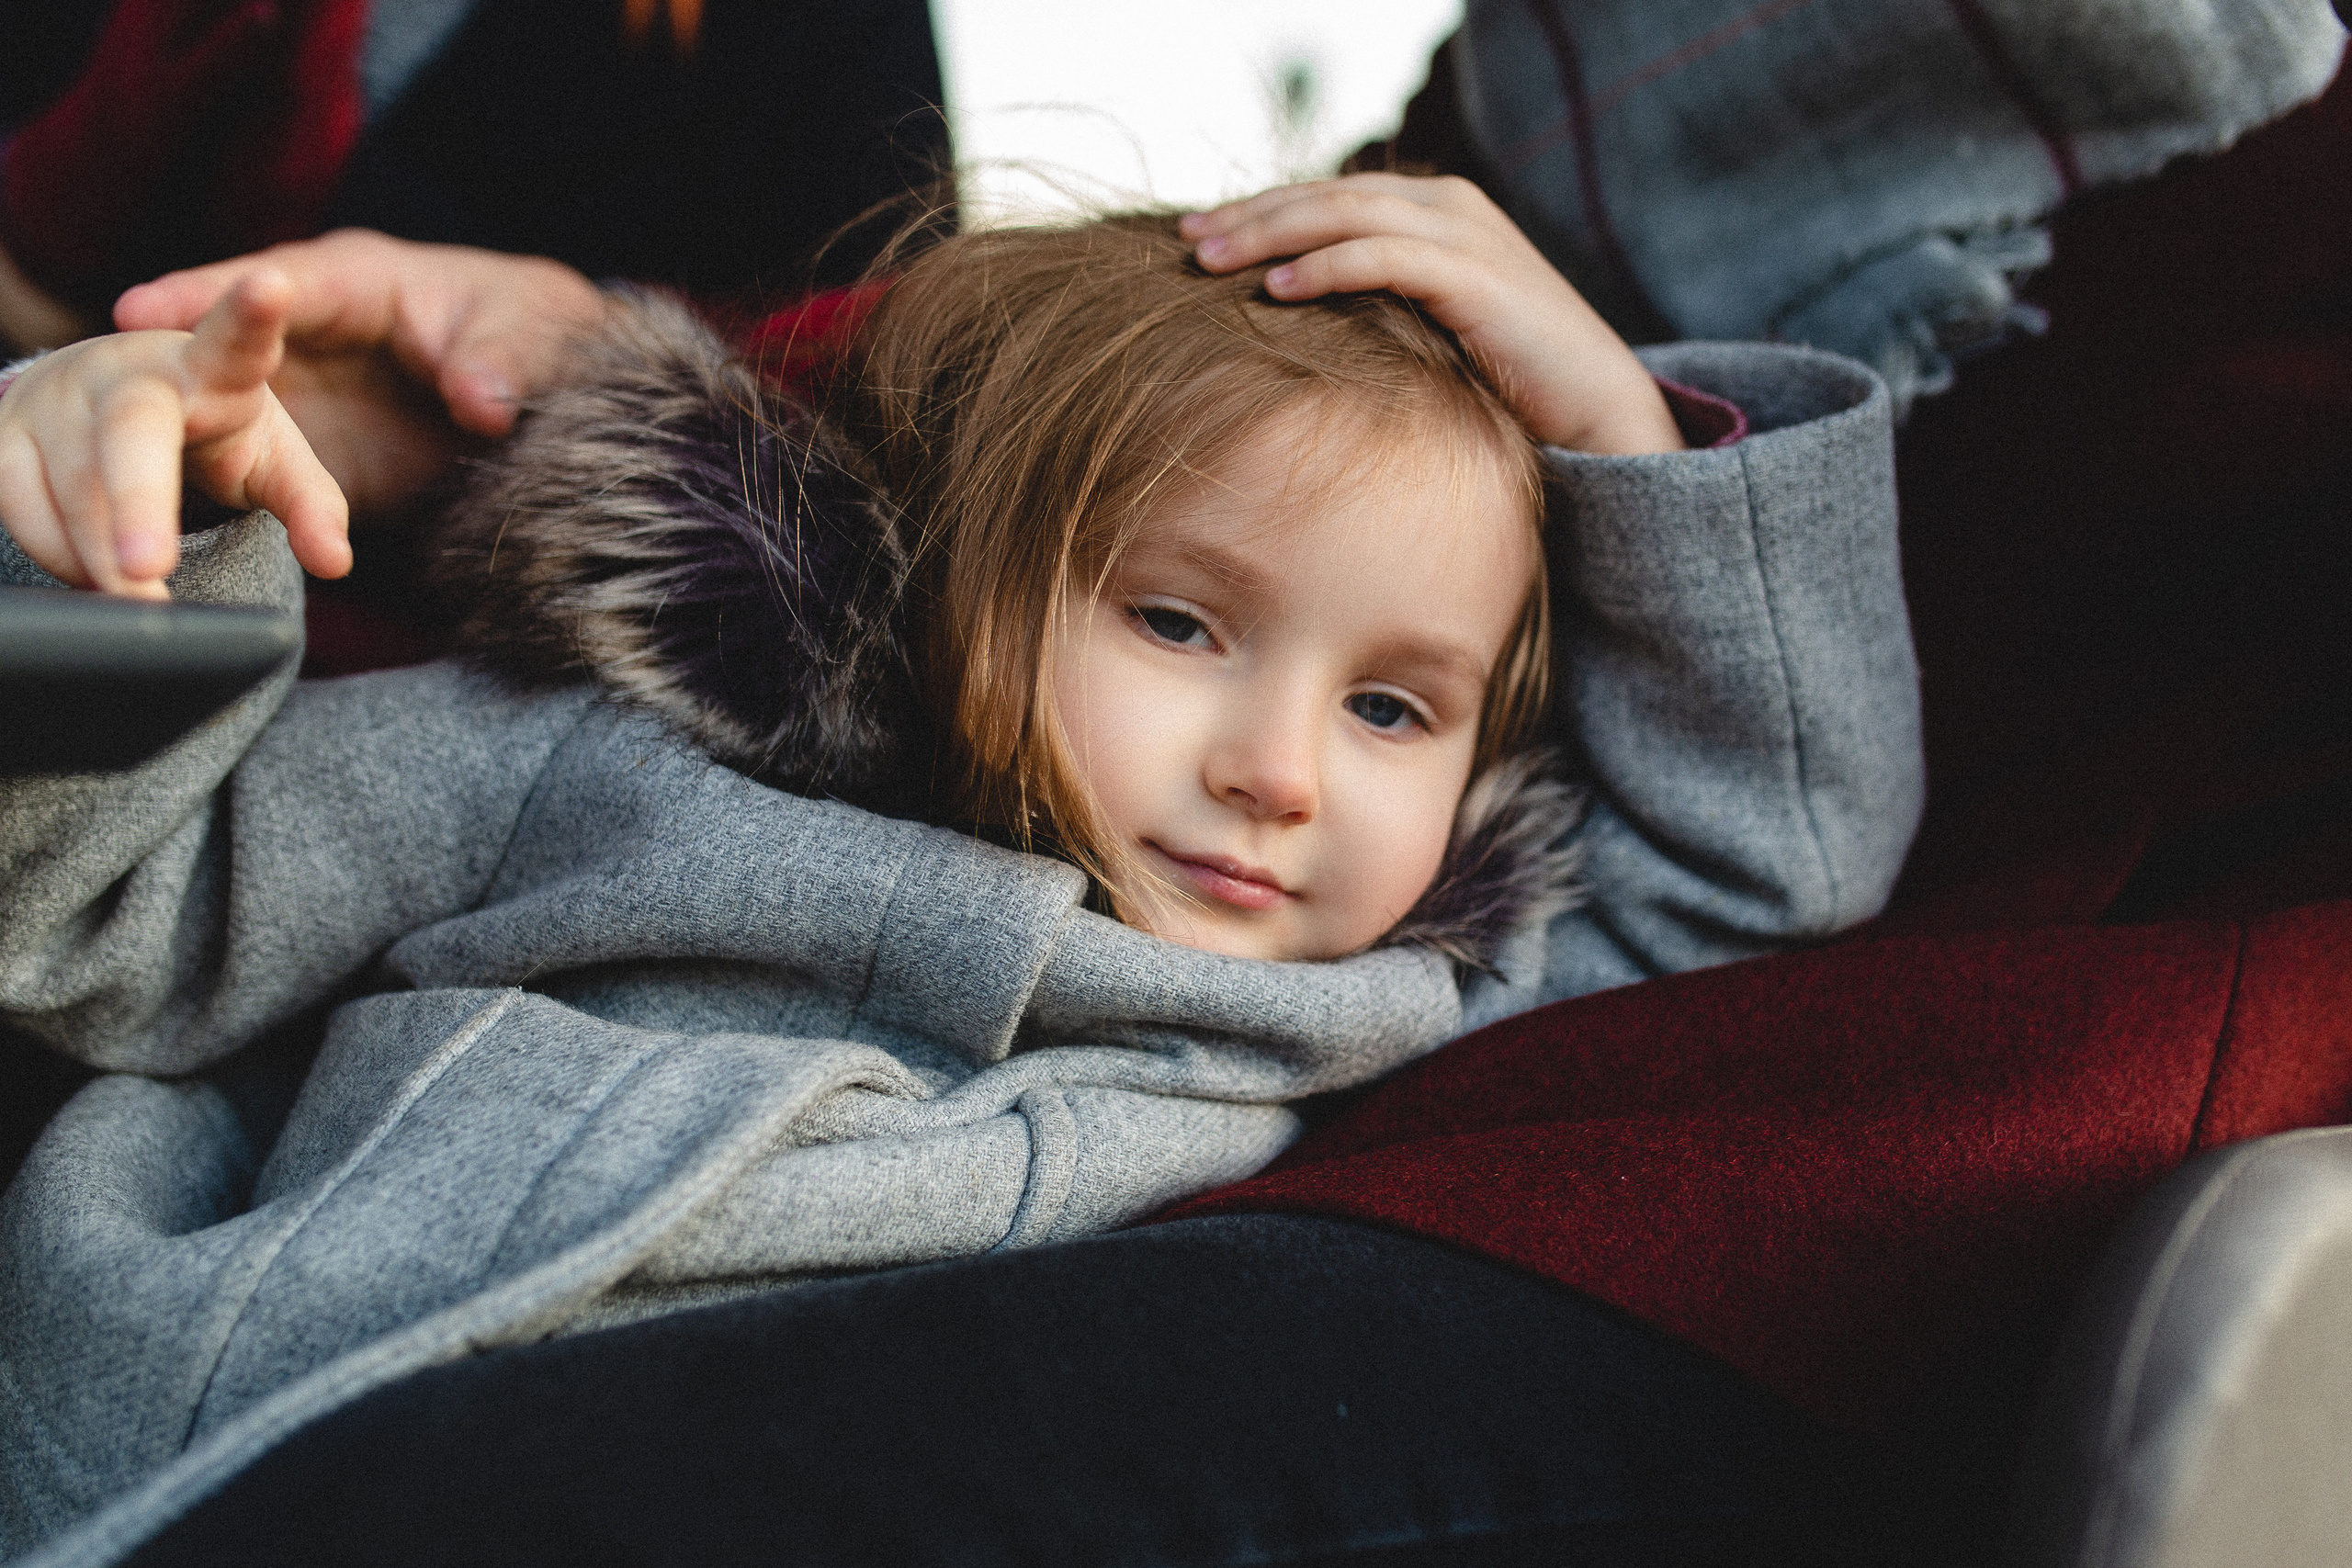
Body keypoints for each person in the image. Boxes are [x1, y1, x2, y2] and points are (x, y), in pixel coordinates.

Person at [0, 175, 1919, 1562]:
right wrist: (120, 545)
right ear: (955, 568)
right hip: (180, 1433)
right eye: (1176, 621)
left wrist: (1614, 430)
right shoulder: (605, 762)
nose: (1275, 773)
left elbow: (1770, 870)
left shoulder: (1359, 1002)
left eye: (1394, 711)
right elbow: (97, 919)